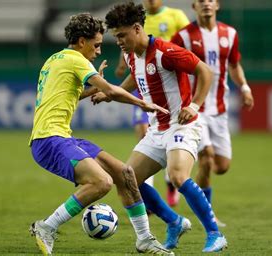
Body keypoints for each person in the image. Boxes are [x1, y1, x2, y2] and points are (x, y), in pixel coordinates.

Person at [28, 13, 174, 255]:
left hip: (61, 137)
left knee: (124, 173)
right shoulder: (76, 60)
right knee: (102, 182)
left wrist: (92, 89)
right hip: (49, 140)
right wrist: (142, 104)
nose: (98, 51)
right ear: (82, 41)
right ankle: (46, 227)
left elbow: (67, 94)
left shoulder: (55, 59)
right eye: (96, 45)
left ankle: (144, 239)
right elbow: (112, 91)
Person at [94, 2, 228, 252]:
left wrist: (195, 106)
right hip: (156, 129)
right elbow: (136, 77)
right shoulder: (131, 54)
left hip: (182, 125)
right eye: (116, 37)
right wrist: (113, 93)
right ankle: (174, 222)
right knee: (127, 180)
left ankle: (215, 234)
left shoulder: (167, 52)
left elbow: (205, 71)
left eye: (122, 35)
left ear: (137, 29)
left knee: (178, 176)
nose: (119, 41)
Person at [171, 0, 254, 227]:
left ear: (217, 5)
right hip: (194, 109)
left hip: (219, 110)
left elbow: (234, 65)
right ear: (194, 6)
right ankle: (208, 215)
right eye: (201, 1)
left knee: (222, 166)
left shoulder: (230, 33)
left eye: (210, 0)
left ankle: (190, 175)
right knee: (206, 157)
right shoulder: (183, 37)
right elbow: (169, 65)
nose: (206, 4)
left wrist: (245, 88)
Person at [114, 0, 190, 206]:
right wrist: (121, 69)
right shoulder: (133, 26)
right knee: (142, 131)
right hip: (144, 85)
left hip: (166, 82)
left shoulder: (175, 16)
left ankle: (170, 183)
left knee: (183, 162)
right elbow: (132, 56)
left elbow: (187, 43)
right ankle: (149, 190)